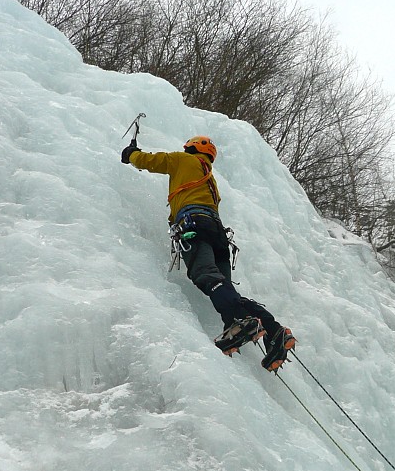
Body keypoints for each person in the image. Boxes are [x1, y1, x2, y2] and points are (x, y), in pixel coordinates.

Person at [121, 133, 296, 371]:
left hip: (194, 225)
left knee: (206, 275)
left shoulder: (184, 160)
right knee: (224, 286)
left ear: (191, 148)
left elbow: (150, 161)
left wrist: (131, 153)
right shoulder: (210, 180)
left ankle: (240, 321)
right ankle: (273, 329)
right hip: (218, 234)